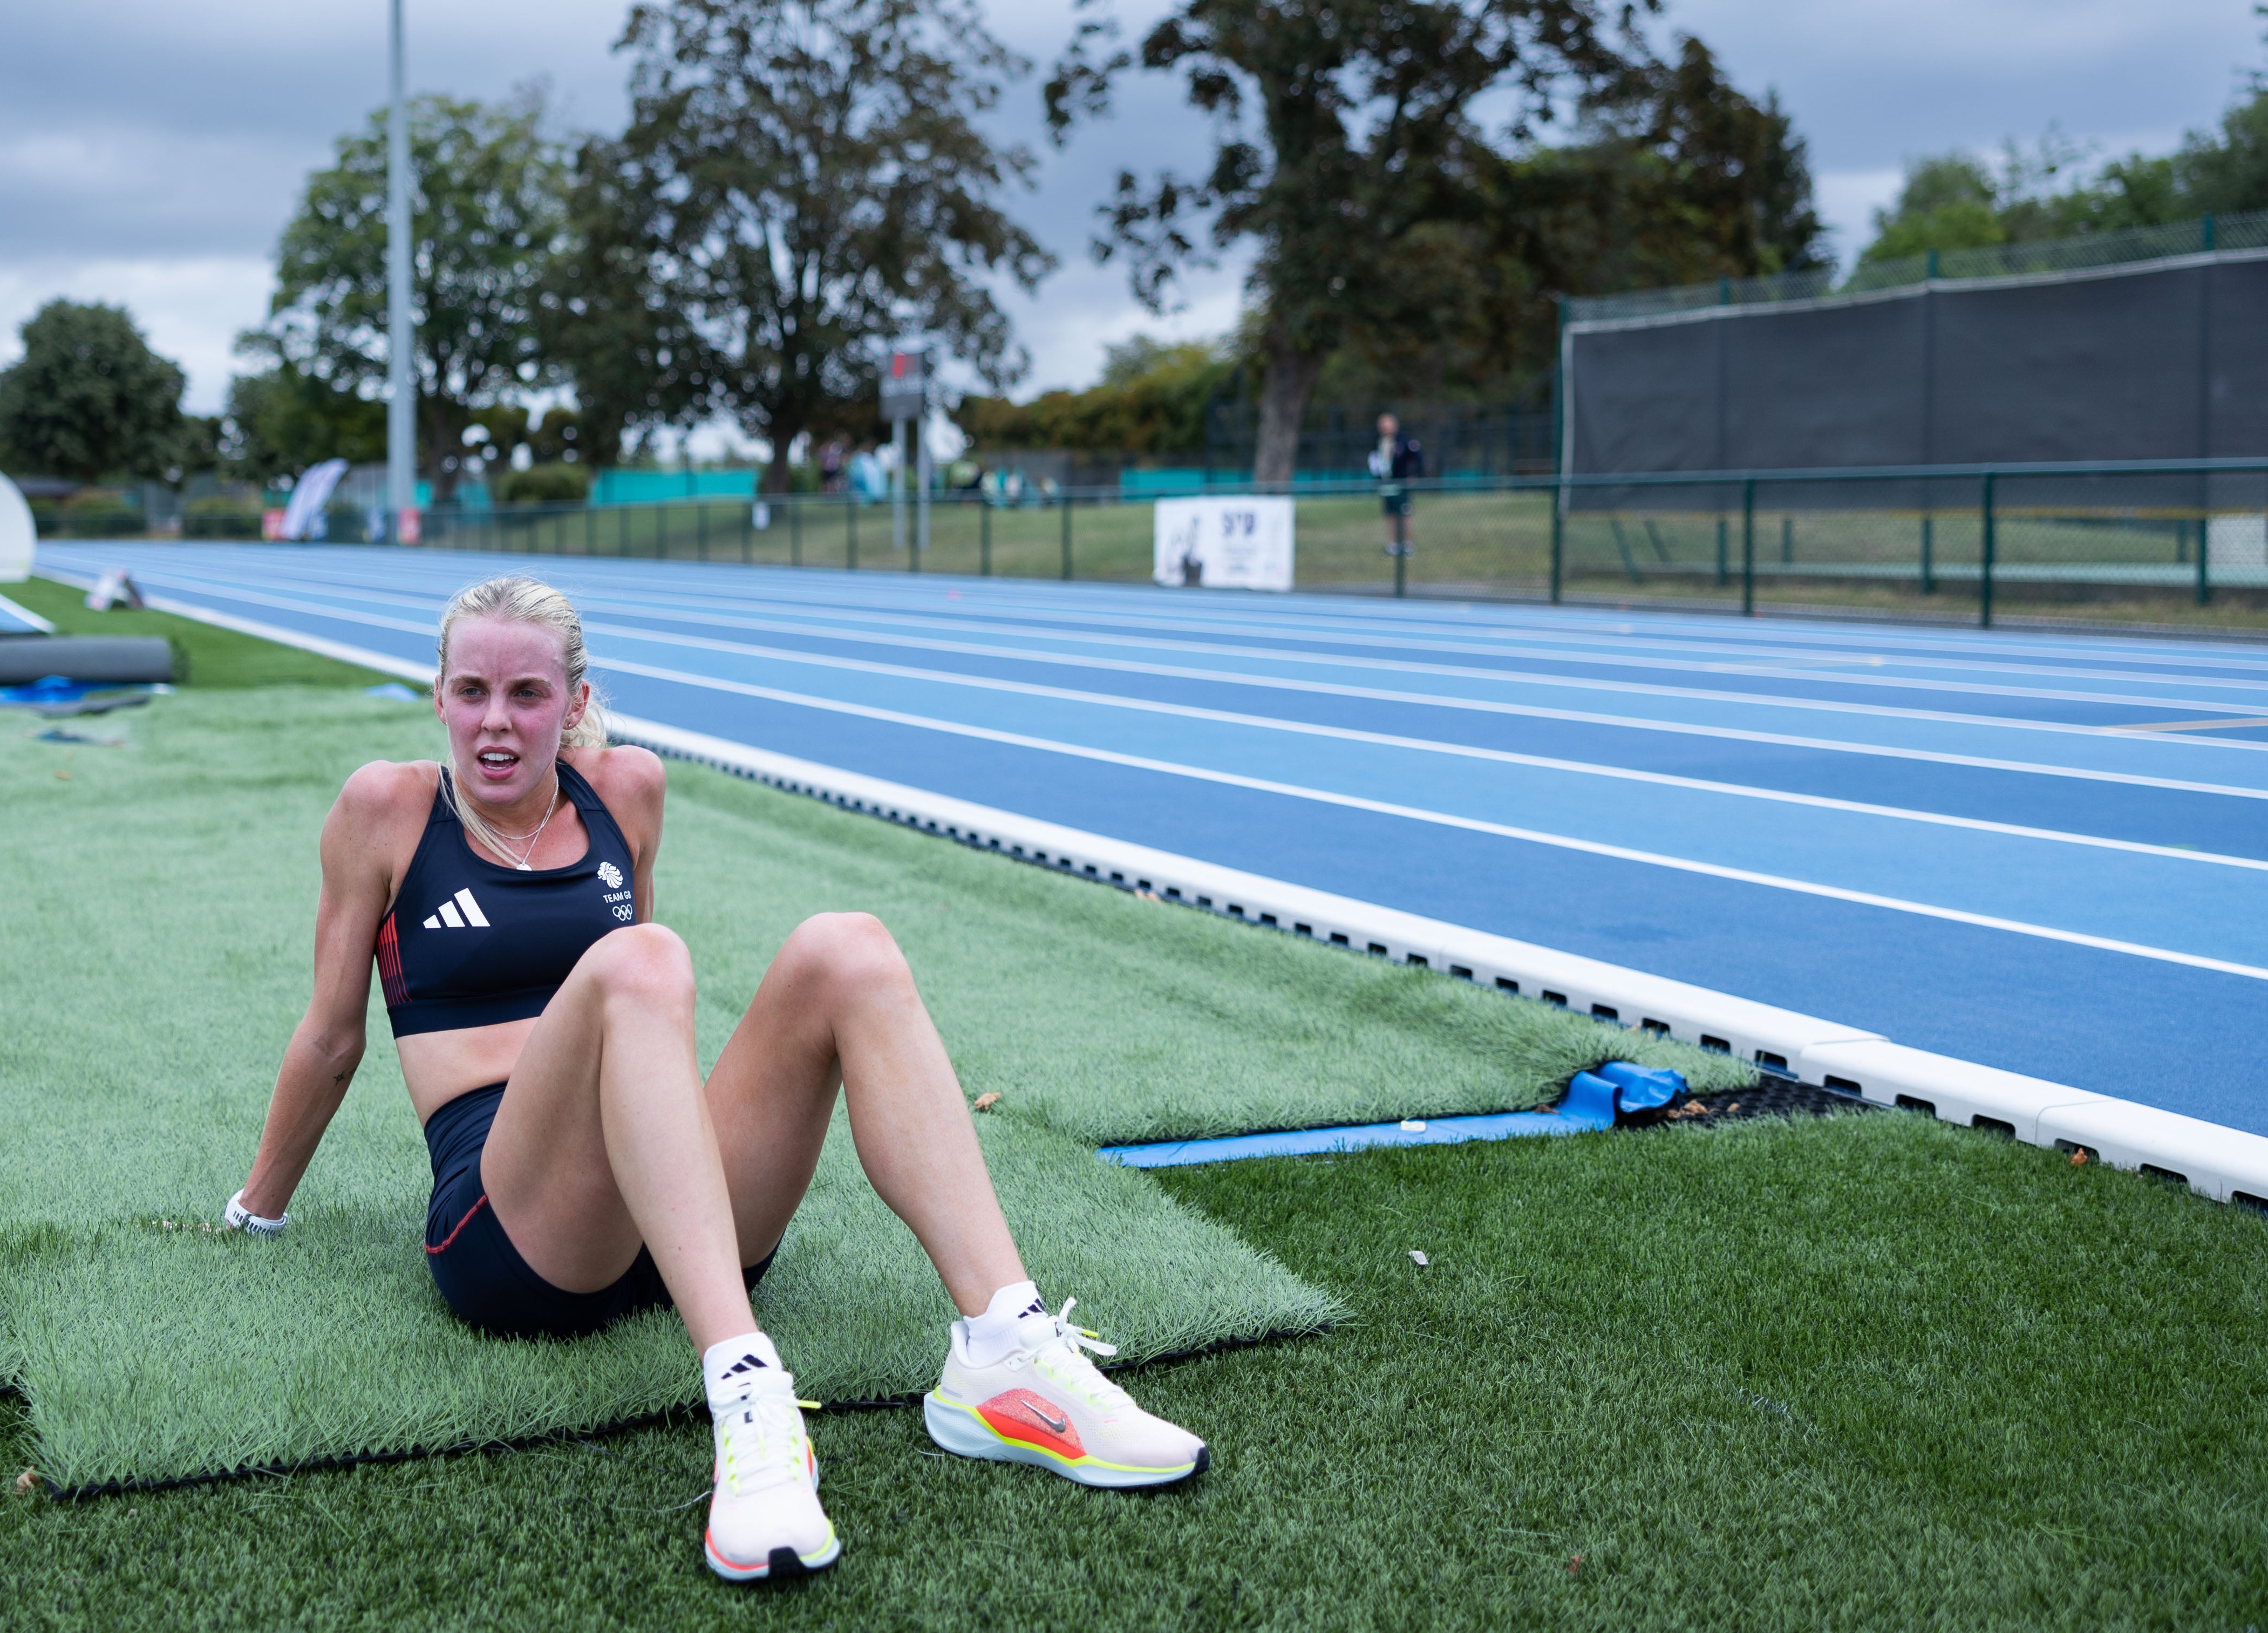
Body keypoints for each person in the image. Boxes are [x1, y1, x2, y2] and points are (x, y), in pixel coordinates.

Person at [226, 575, 1207, 1583]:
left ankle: (1003, 1344)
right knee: (642, 958)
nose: (495, 720)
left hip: (668, 1209)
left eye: (526, 692)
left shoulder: (629, 789)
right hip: (514, 1231)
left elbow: (651, 1032)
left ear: (573, 699)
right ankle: (747, 1392)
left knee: (848, 947)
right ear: (437, 694)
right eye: (471, 689)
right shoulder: (385, 808)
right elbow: (332, 1036)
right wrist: (258, 1207)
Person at [1368, 412, 1425, 557]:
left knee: (1405, 513)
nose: (1386, 429)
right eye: (1383, 426)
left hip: (1402, 483)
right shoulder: (1377, 441)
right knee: (1391, 514)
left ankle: (1407, 545)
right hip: (1386, 483)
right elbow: (1375, 461)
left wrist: (1414, 475)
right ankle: (1393, 545)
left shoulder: (1404, 441)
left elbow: (1418, 457)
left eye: (1388, 425)